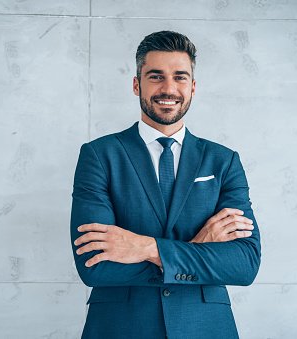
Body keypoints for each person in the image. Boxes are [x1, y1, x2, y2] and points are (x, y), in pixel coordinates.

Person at [70, 30, 261, 339]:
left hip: (205, 327)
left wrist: (144, 247)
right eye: (156, 77)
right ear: (137, 85)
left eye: (180, 77)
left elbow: (244, 263)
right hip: (120, 327)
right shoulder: (99, 156)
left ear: (193, 87)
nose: (169, 88)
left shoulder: (223, 161)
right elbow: (94, 266)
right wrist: (199, 248)